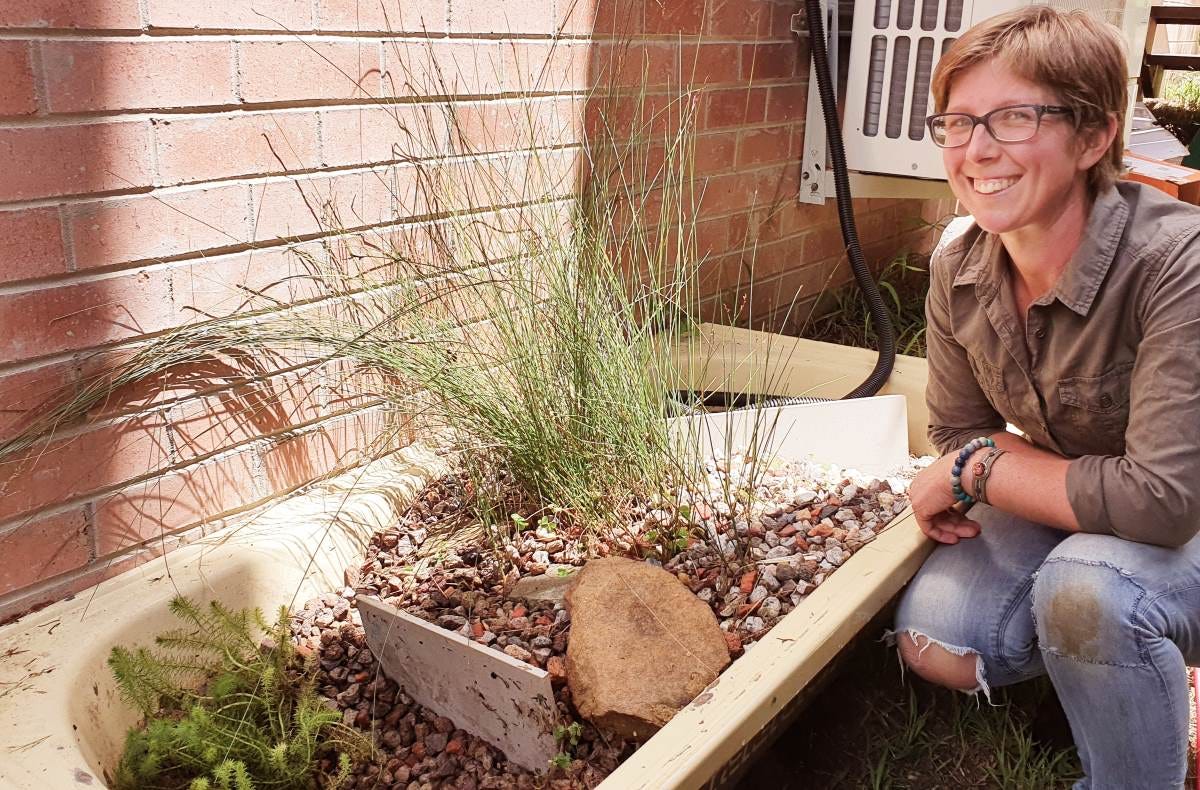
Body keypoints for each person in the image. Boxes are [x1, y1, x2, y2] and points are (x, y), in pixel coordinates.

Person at [894, 7, 1200, 789]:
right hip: (1093, 493)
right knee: (940, 638)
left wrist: (982, 468)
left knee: (1088, 591)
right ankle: (1105, 674)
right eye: (957, 122)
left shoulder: (1176, 263)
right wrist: (977, 457)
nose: (977, 149)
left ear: (1094, 136)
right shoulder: (958, 265)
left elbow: (1165, 502)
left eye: (1014, 118)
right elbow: (956, 427)